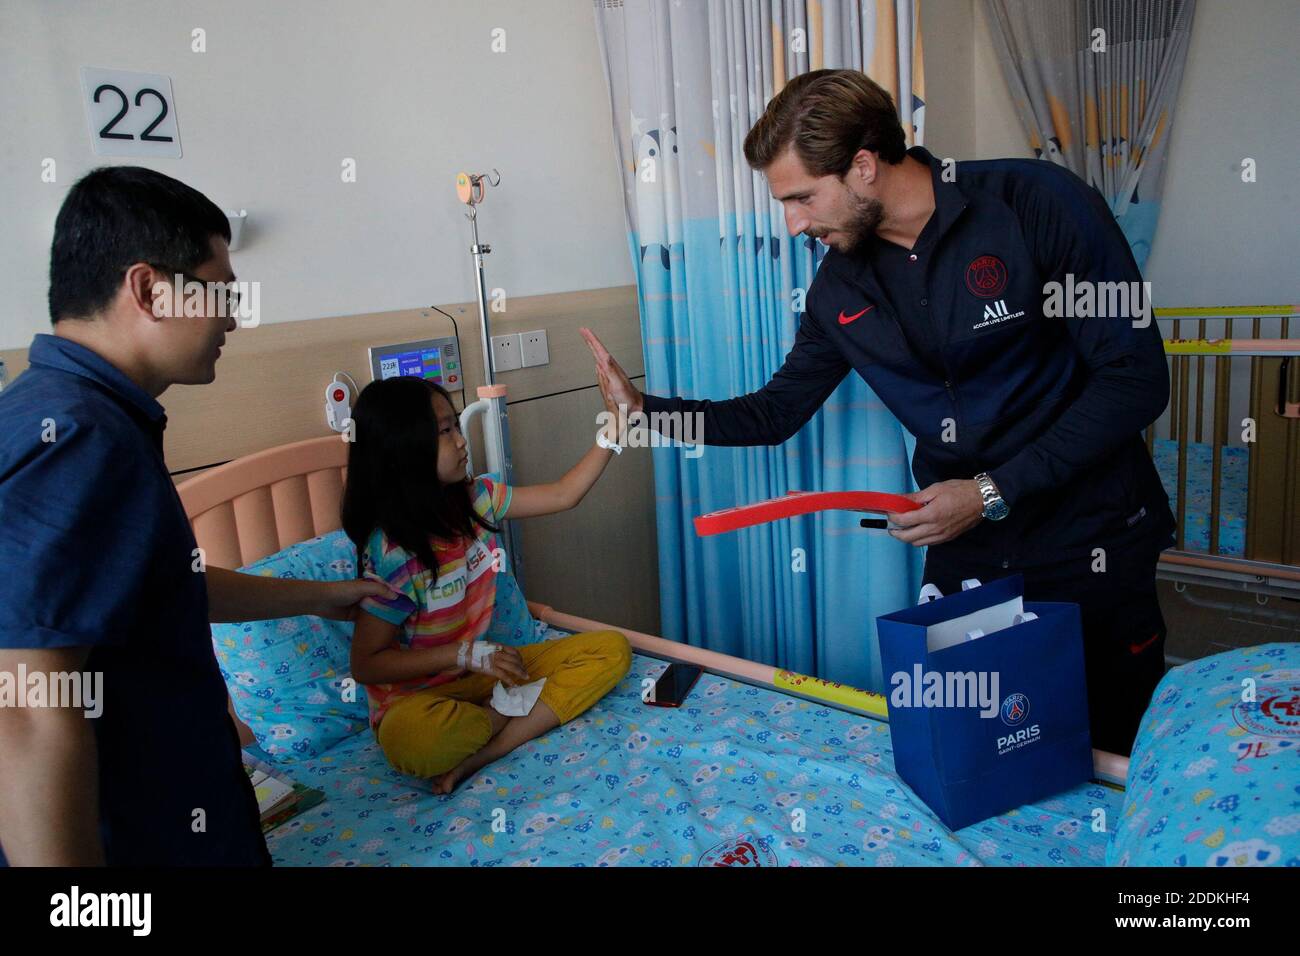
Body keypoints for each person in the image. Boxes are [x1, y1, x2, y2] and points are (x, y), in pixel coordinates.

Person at [583, 68, 1175, 755]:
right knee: (976, 746)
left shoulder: (1034, 203)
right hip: (969, 548)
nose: (794, 223)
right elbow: (773, 413)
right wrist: (647, 411)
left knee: (1111, 748)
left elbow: (1136, 380)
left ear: (864, 165)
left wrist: (990, 492)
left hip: (1091, 533)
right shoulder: (840, 288)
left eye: (802, 197)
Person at [0, 166, 390, 865]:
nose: (232, 318)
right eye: (220, 293)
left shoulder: (65, 413)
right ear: (151, 290)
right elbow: (26, 707)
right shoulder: (79, 438)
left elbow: (154, 584)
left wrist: (324, 595)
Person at [343, 376, 632, 794]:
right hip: (419, 703)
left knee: (610, 650)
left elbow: (564, 494)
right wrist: (464, 654)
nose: (461, 441)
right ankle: (500, 715)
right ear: (402, 447)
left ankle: (483, 751)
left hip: (482, 680)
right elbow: (366, 664)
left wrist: (614, 429)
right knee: (418, 743)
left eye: (457, 426)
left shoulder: (477, 499)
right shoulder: (392, 553)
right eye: (444, 431)